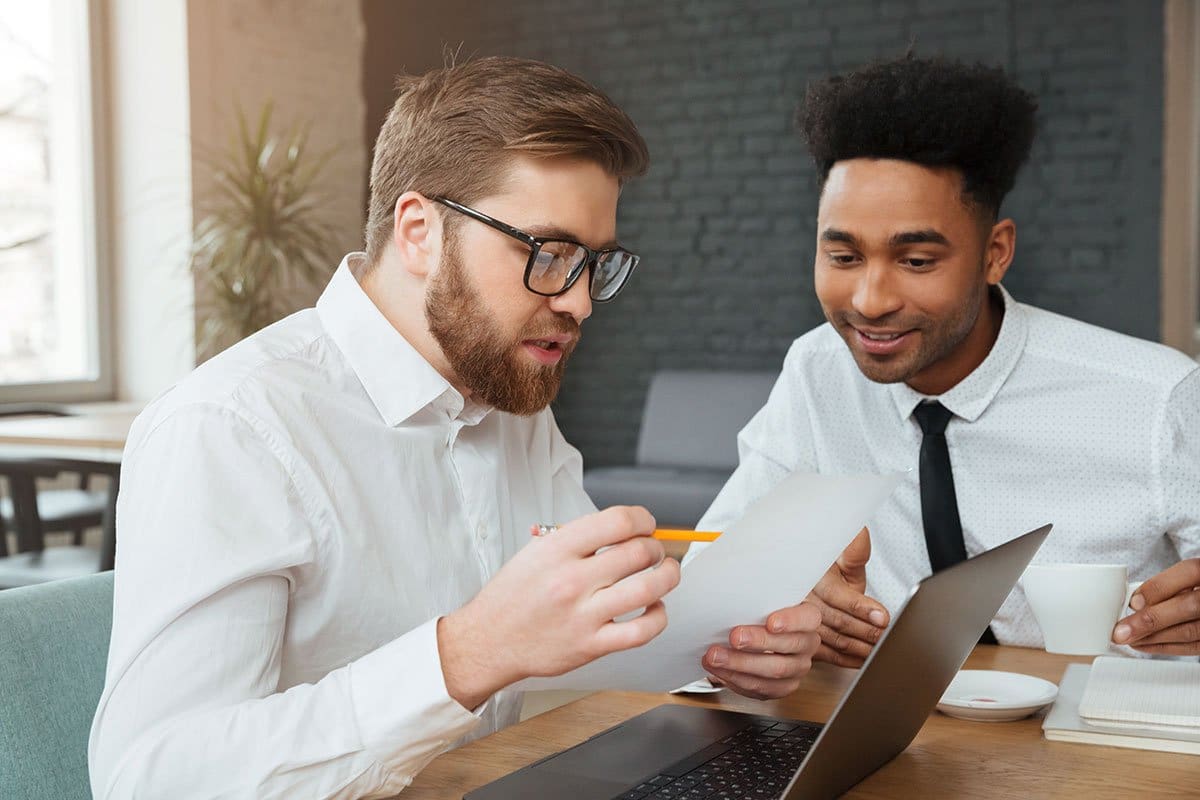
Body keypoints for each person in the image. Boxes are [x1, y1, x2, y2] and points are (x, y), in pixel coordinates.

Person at [89, 57, 821, 799]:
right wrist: (466, 655)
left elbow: (578, 637)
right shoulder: (230, 429)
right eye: (548, 253)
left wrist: (723, 649)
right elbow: (152, 779)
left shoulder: (506, 396)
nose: (580, 304)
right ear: (419, 233)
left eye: (592, 264)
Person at [688, 55, 1200, 674]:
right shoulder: (817, 372)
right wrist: (777, 607)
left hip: (1098, 744)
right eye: (844, 256)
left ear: (995, 253)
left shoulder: (1158, 397)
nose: (870, 301)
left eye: (917, 261)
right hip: (887, 742)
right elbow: (711, 579)